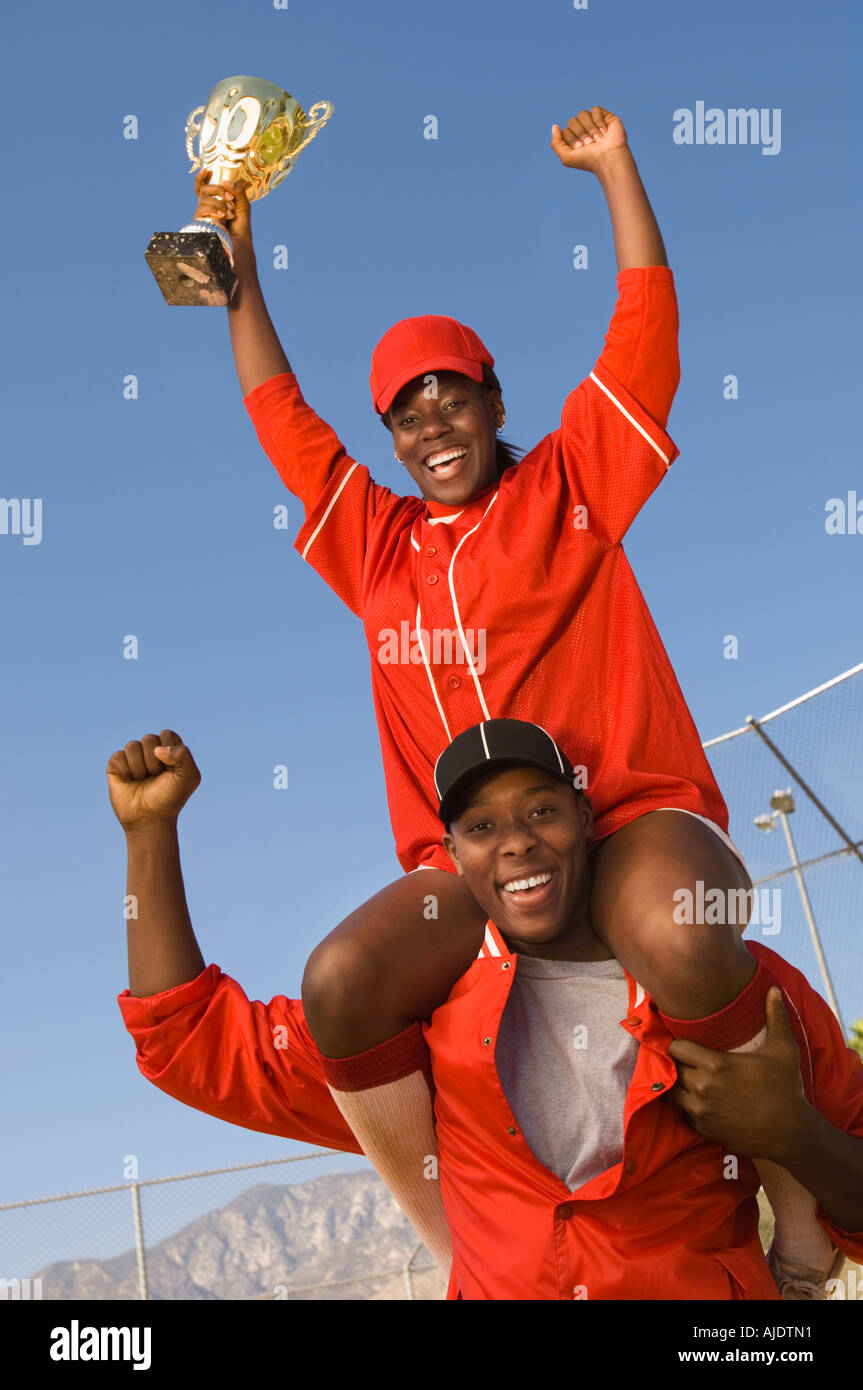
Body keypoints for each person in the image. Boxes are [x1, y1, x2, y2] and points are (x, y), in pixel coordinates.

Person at [191, 103, 832, 1292]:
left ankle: (792, 1189)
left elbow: (645, 336)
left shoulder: (570, 482)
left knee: (679, 925)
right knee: (339, 982)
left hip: (628, 813)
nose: (431, 418)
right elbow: (281, 417)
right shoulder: (376, 548)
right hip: (471, 857)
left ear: (493, 402)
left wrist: (614, 170)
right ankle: (456, 1250)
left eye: (453, 393)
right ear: (388, 435)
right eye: (405, 407)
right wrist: (236, 273)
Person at [109, 721, 863, 1301]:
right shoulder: (424, 1036)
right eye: (481, 827)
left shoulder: (734, 994)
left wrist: (793, 1132)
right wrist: (149, 834)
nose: (517, 844)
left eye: (541, 809)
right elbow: (192, 1044)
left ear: (586, 818)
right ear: (450, 856)